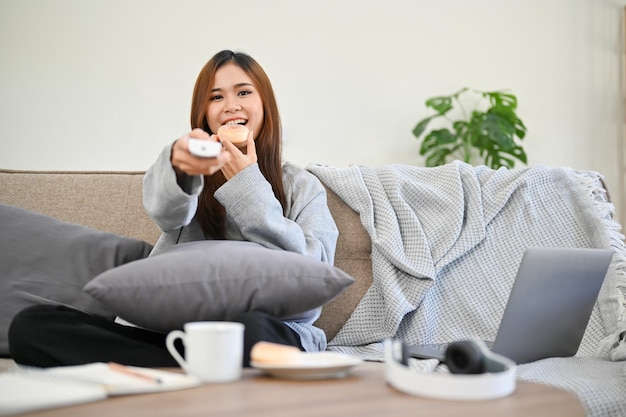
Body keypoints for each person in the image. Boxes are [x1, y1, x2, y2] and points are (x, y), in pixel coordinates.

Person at [8, 50, 339, 368]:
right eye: (216, 97)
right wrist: (180, 165)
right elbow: (167, 212)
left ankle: (187, 368)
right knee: (32, 325)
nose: (231, 106)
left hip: (267, 332)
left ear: (264, 102)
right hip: (171, 335)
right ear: (203, 112)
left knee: (250, 330)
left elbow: (312, 273)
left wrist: (248, 184)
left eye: (243, 92)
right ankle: (202, 368)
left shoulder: (301, 186)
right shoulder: (190, 167)